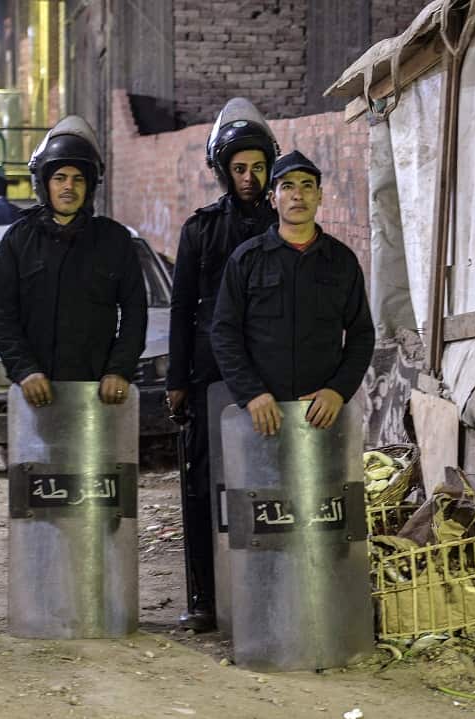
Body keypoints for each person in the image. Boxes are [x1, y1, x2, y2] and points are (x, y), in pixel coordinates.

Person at [166, 98, 279, 632]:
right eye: (239, 168)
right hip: (210, 377)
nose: (249, 178)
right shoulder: (200, 231)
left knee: (268, 484)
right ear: (222, 171)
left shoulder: (286, 224)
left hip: (272, 377)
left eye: (257, 167)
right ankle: (205, 598)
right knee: (204, 486)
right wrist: (176, 380)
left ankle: (268, 590)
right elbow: (182, 308)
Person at [0, 115, 147, 410]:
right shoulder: (18, 240)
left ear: (90, 187)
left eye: (78, 179)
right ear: (44, 184)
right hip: (36, 395)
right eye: (60, 178)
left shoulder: (114, 240)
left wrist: (119, 370)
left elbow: (135, 312)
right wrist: (24, 370)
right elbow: (2, 315)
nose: (69, 187)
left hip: (98, 396)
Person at [212, 150, 375, 436]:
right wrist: (251, 393)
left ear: (319, 196)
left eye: (307, 186)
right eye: (287, 186)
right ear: (273, 199)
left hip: (321, 416)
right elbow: (224, 333)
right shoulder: (247, 260)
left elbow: (361, 334)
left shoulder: (341, 261)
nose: (298, 195)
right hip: (260, 415)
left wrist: (338, 390)